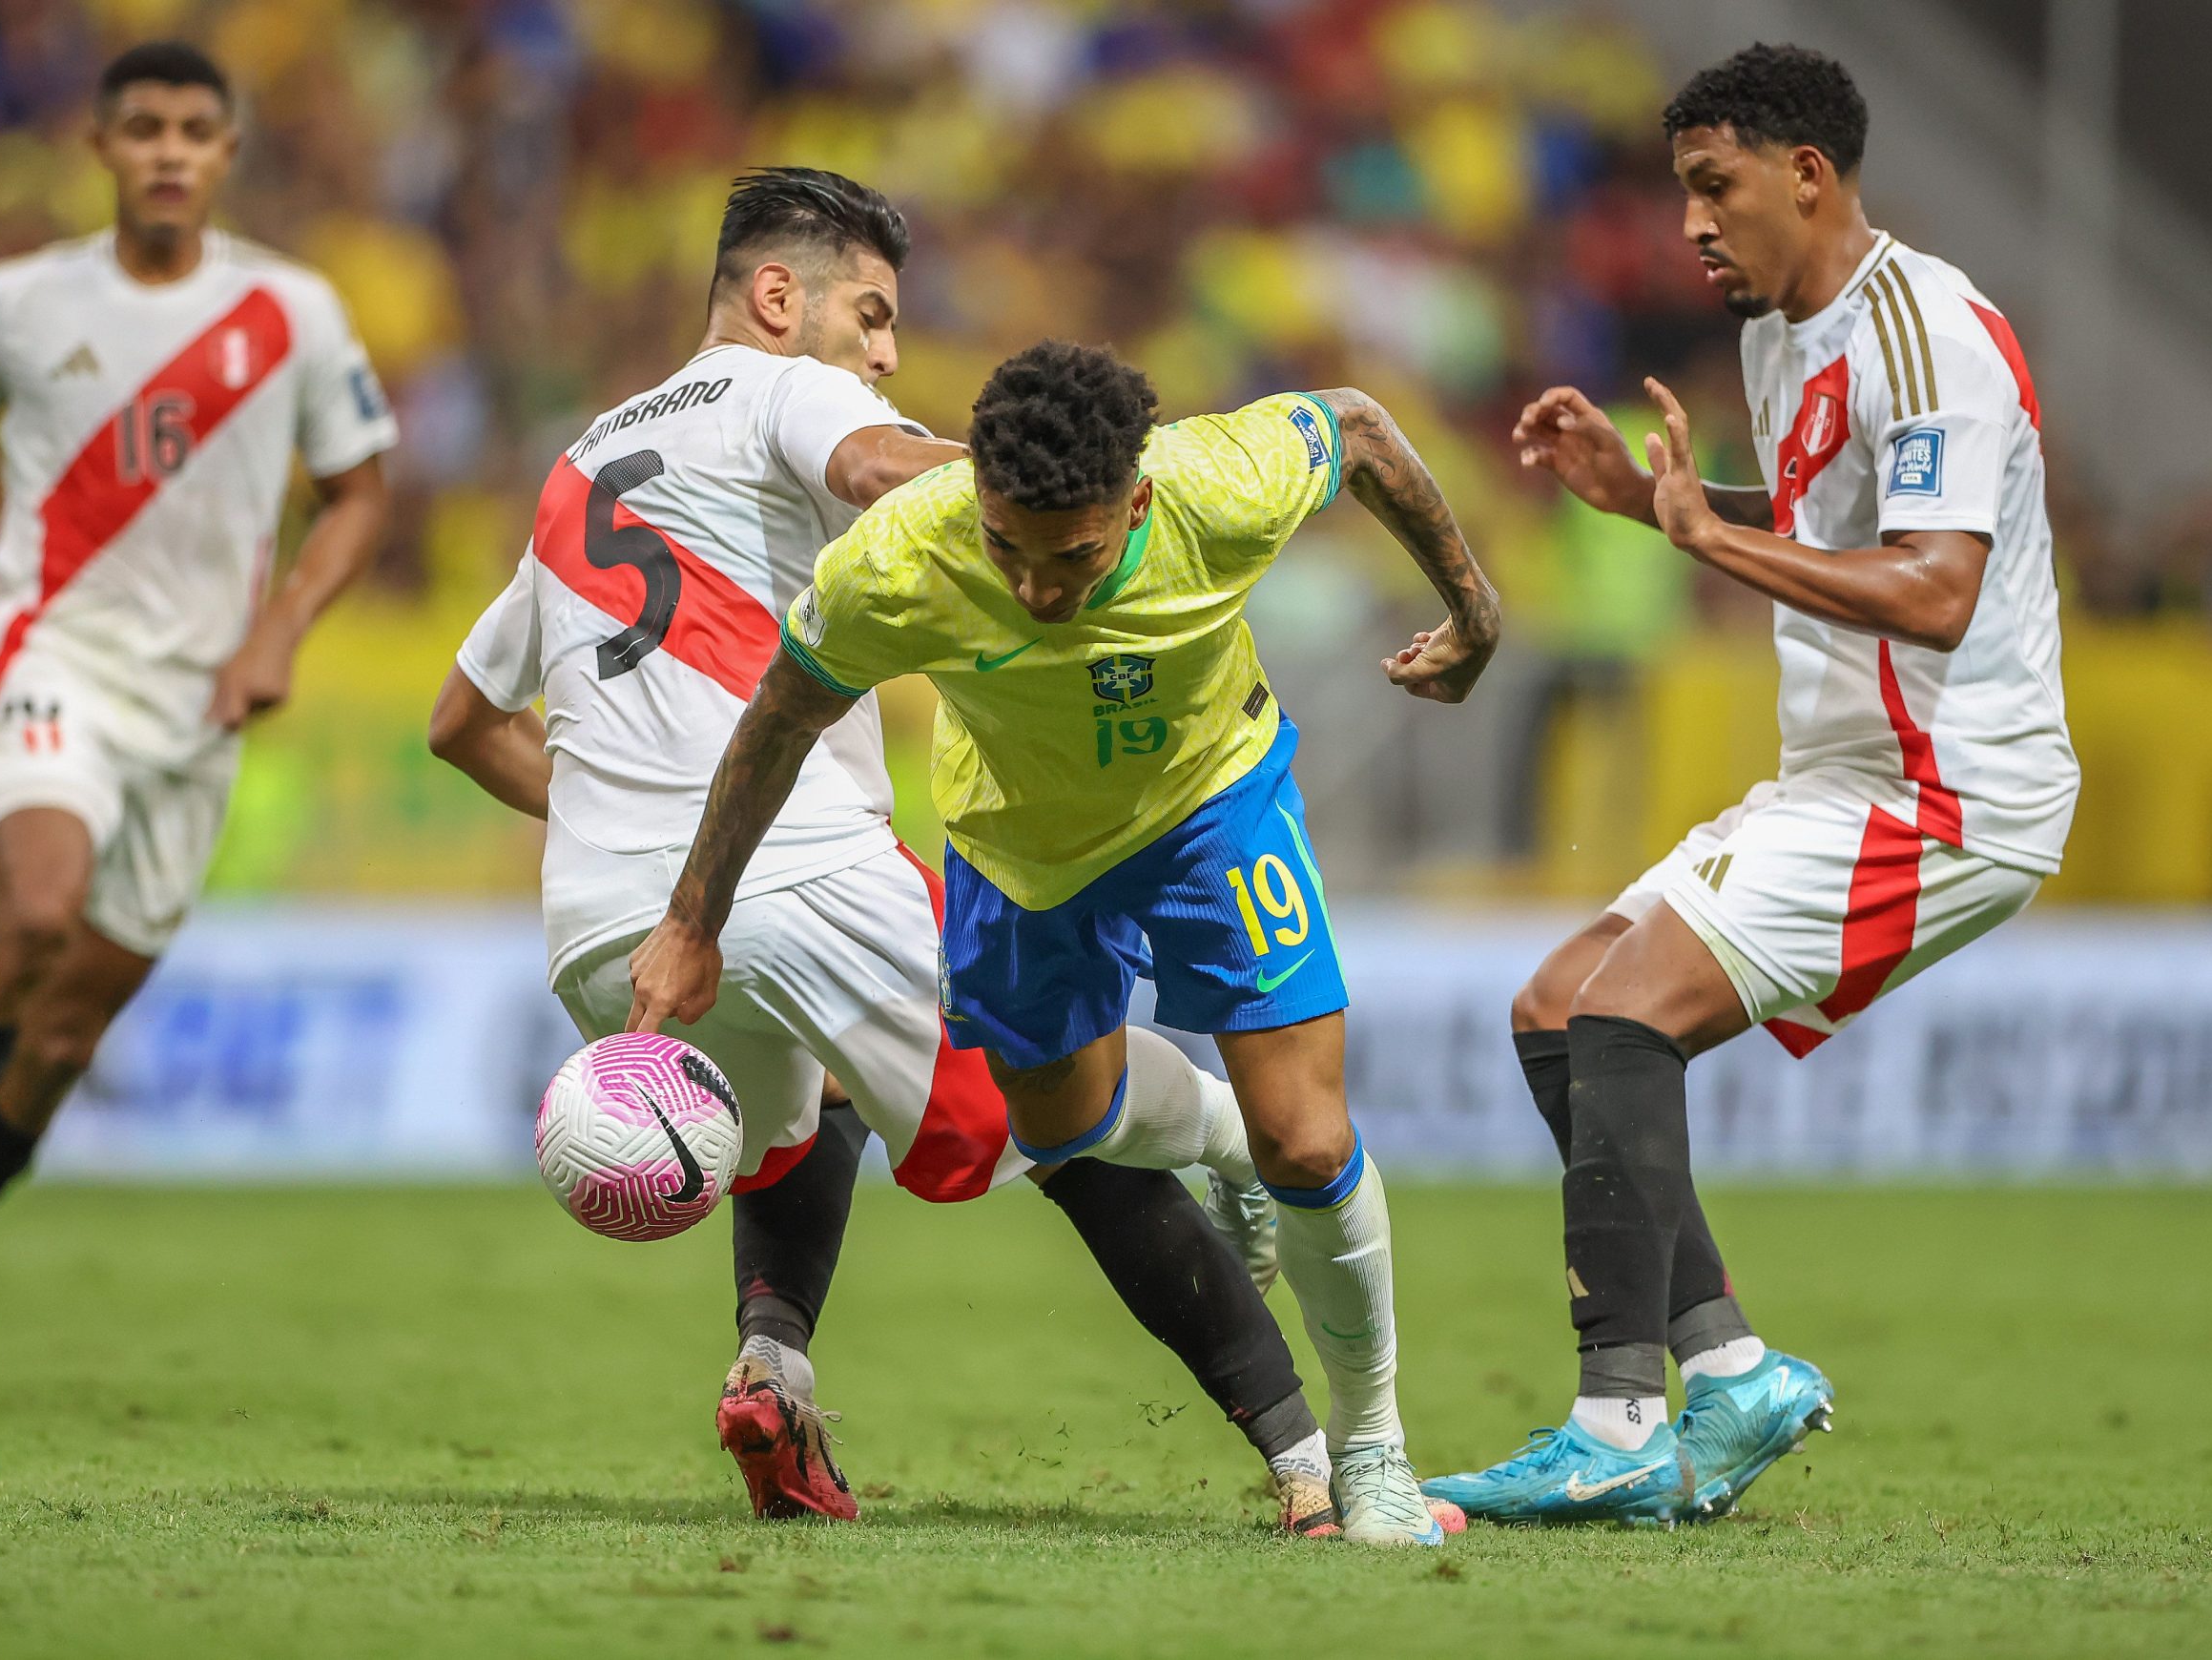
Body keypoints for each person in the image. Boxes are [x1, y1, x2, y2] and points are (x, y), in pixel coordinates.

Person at [428, 169, 1355, 1536]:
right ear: (776, 295)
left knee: (797, 1114)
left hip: (606, 929)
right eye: (871, 315)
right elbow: (875, 469)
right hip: (801, 871)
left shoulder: (581, 464)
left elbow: (460, 722)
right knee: (1068, 1111)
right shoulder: (782, 387)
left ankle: (773, 1367)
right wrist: (1074, 491)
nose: (885, 355)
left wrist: (624, 846)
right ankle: (1302, 1443)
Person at [625, 339, 1502, 1545]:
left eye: (1074, 558)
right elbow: (780, 714)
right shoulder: (895, 557)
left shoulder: (1217, 483)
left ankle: (1374, 1456)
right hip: (1016, 848)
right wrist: (690, 921)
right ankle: (1224, 1139)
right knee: (1060, 1129)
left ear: (1134, 502)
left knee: (1314, 1139)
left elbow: (1356, 426)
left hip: (1213, 805)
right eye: (1007, 550)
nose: (1037, 589)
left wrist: (1474, 609)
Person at [1430, 43, 2078, 1525]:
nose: (1691, 228)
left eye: (1714, 190)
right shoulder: (1785, 327)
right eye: (1681, 196)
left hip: (1946, 793)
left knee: (1620, 1009)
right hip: (1846, 773)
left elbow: (1931, 589)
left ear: (1810, 174)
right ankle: (1726, 1375)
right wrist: (1658, 507)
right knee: (1556, 1010)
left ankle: (1615, 1426)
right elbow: (1824, 520)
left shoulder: (1930, 337)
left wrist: (1707, 545)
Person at [0, 41, 396, 1400]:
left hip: (200, 706)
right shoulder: (21, 303)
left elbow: (362, 490)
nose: (168, 151)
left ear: (228, 150)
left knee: (70, 1033)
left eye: (195, 129)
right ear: (100, 145)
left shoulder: (294, 310)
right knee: (36, 913)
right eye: (143, 126)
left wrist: (278, 634)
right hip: (53, 656)